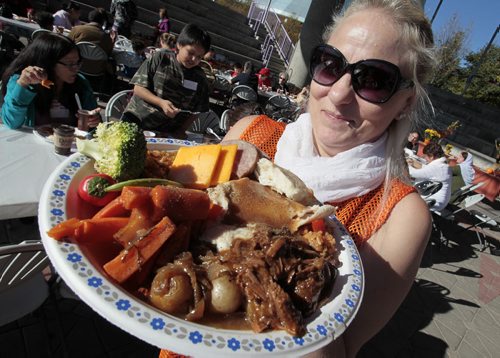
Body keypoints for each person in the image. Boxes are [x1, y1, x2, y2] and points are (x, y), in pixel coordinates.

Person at [222, 1, 435, 356]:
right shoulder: (250, 135)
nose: (337, 94)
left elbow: (343, 347)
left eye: (373, 80)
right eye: (332, 64)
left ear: (406, 103)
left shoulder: (399, 218)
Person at [122, 23, 211, 136]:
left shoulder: (200, 78)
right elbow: (138, 88)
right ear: (179, 45)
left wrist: (182, 129)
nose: (193, 59)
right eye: (190, 53)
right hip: (138, 121)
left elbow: (198, 110)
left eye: (199, 57)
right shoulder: (161, 58)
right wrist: (160, 102)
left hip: (166, 132)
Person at [1, 32, 100, 129]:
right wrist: (22, 85)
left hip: (69, 142)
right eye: (70, 64)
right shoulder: (24, 81)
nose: (76, 69)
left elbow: (95, 126)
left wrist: (94, 121)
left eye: (78, 63)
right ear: (49, 63)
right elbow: (12, 123)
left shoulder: (81, 83)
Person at [68, 8, 114, 78]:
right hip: (97, 71)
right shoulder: (107, 38)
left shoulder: (77, 29)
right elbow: (109, 54)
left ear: (89, 18)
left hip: (75, 66)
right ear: (103, 22)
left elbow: (67, 45)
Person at [409, 142, 452, 212]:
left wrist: (406, 164)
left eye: (425, 156)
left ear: (431, 156)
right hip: (440, 201)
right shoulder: (444, 165)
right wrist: (414, 163)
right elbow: (428, 170)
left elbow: (412, 173)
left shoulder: (437, 167)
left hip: (431, 202)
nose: (425, 159)